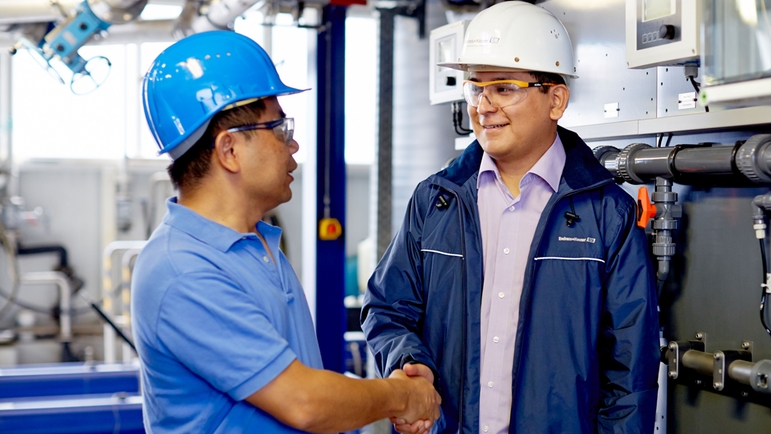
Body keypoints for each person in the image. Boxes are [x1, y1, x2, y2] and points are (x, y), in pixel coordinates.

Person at [361, 2, 660, 433]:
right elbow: (387, 307)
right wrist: (410, 363)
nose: (483, 105)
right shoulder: (436, 201)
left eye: (503, 88)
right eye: (475, 88)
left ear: (555, 99)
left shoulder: (607, 214)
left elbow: (630, 371)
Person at [131, 30, 440, 434]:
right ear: (229, 150)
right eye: (280, 129)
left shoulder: (257, 244)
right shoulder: (182, 270)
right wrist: (402, 397)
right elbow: (305, 401)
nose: (292, 146)